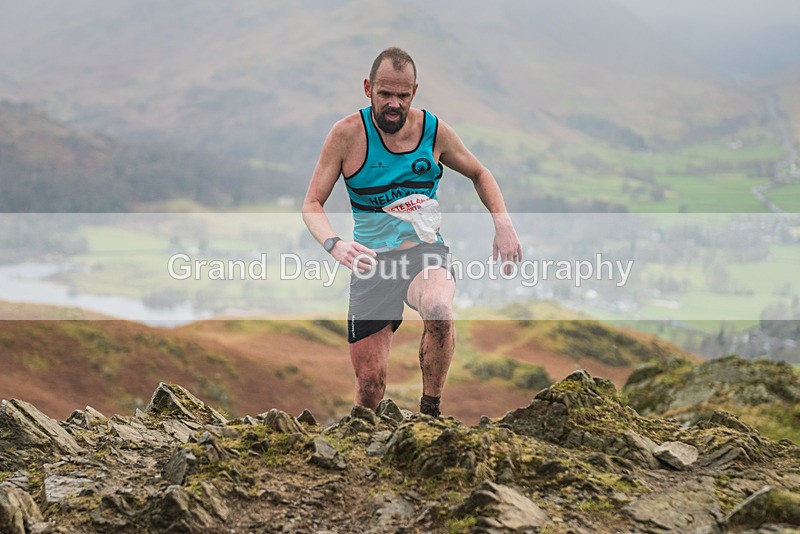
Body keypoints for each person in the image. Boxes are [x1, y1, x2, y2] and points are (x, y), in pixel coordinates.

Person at [302, 47, 522, 417]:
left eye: (402, 96)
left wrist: (502, 222)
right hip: (372, 262)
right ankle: (363, 445)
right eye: (385, 94)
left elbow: (480, 173)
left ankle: (430, 413)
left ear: (414, 92)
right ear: (368, 87)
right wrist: (335, 244)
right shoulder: (346, 135)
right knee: (370, 387)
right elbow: (312, 205)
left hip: (424, 252)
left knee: (438, 310)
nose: (393, 104)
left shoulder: (433, 131)